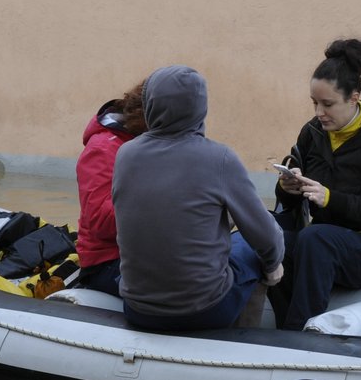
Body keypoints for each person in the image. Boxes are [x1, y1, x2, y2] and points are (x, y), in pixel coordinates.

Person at [113, 65, 285, 331]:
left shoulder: (125, 155)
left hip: (138, 309)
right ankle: (247, 339)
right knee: (254, 247)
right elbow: (264, 234)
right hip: (205, 310)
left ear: (150, 104)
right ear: (200, 107)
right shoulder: (219, 158)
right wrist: (274, 264)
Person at [271, 39, 361, 330]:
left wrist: (330, 198)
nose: (319, 112)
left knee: (316, 238)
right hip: (320, 244)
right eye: (315, 103)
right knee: (272, 236)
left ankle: (300, 333)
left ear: (354, 98)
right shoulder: (312, 133)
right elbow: (292, 205)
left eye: (328, 104)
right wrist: (288, 188)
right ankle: (284, 329)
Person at [74, 82, 147, 296]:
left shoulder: (151, 147)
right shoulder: (103, 148)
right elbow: (101, 223)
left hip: (145, 253)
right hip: (108, 262)